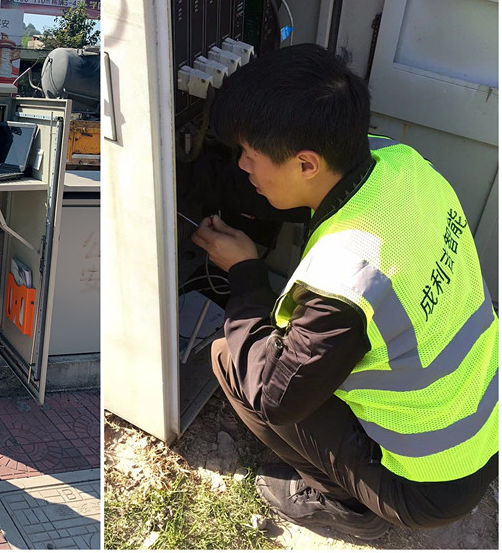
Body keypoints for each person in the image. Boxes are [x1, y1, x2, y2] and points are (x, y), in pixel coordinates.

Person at [191, 43, 498, 538]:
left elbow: (273, 395)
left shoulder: (347, 280)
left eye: (250, 154)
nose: (243, 165)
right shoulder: (401, 163)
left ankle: (345, 505)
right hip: (484, 421)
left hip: (430, 486)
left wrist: (244, 272)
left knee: (231, 358)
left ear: (306, 164)